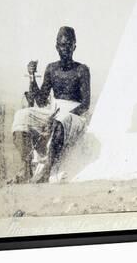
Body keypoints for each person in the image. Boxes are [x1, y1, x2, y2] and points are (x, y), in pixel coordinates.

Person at [10, 26, 91, 183]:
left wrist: (63, 116)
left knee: (61, 121)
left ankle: (47, 171)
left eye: (69, 45)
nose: (65, 49)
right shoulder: (51, 68)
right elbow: (41, 100)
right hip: (54, 111)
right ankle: (27, 168)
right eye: (62, 45)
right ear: (56, 47)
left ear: (74, 46)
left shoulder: (82, 70)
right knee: (22, 116)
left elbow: (85, 104)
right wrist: (32, 76)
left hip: (74, 115)